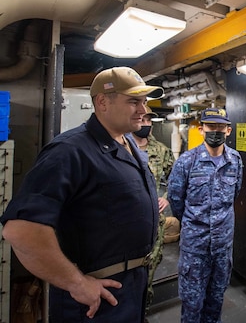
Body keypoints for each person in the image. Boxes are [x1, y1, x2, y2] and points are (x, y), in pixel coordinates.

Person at [0, 66, 164, 322]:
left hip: (132, 286)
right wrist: (76, 283)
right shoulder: (69, 151)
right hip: (94, 299)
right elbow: (20, 230)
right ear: (102, 102)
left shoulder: (128, 143)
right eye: (134, 101)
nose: (143, 110)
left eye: (143, 102)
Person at [167, 107, 243, 323]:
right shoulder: (187, 161)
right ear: (201, 129)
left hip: (222, 248)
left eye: (221, 127)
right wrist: (195, 224)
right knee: (192, 305)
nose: (216, 131)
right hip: (195, 248)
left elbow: (234, 195)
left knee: (216, 301)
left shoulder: (235, 161)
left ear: (228, 130)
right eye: (211, 126)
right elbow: (176, 200)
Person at [131, 106, 176, 314]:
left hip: (153, 221)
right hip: (126, 222)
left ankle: (143, 311)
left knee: (150, 267)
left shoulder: (161, 149)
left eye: (150, 120)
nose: (146, 123)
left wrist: (165, 198)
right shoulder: (120, 146)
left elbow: (174, 178)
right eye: (143, 119)